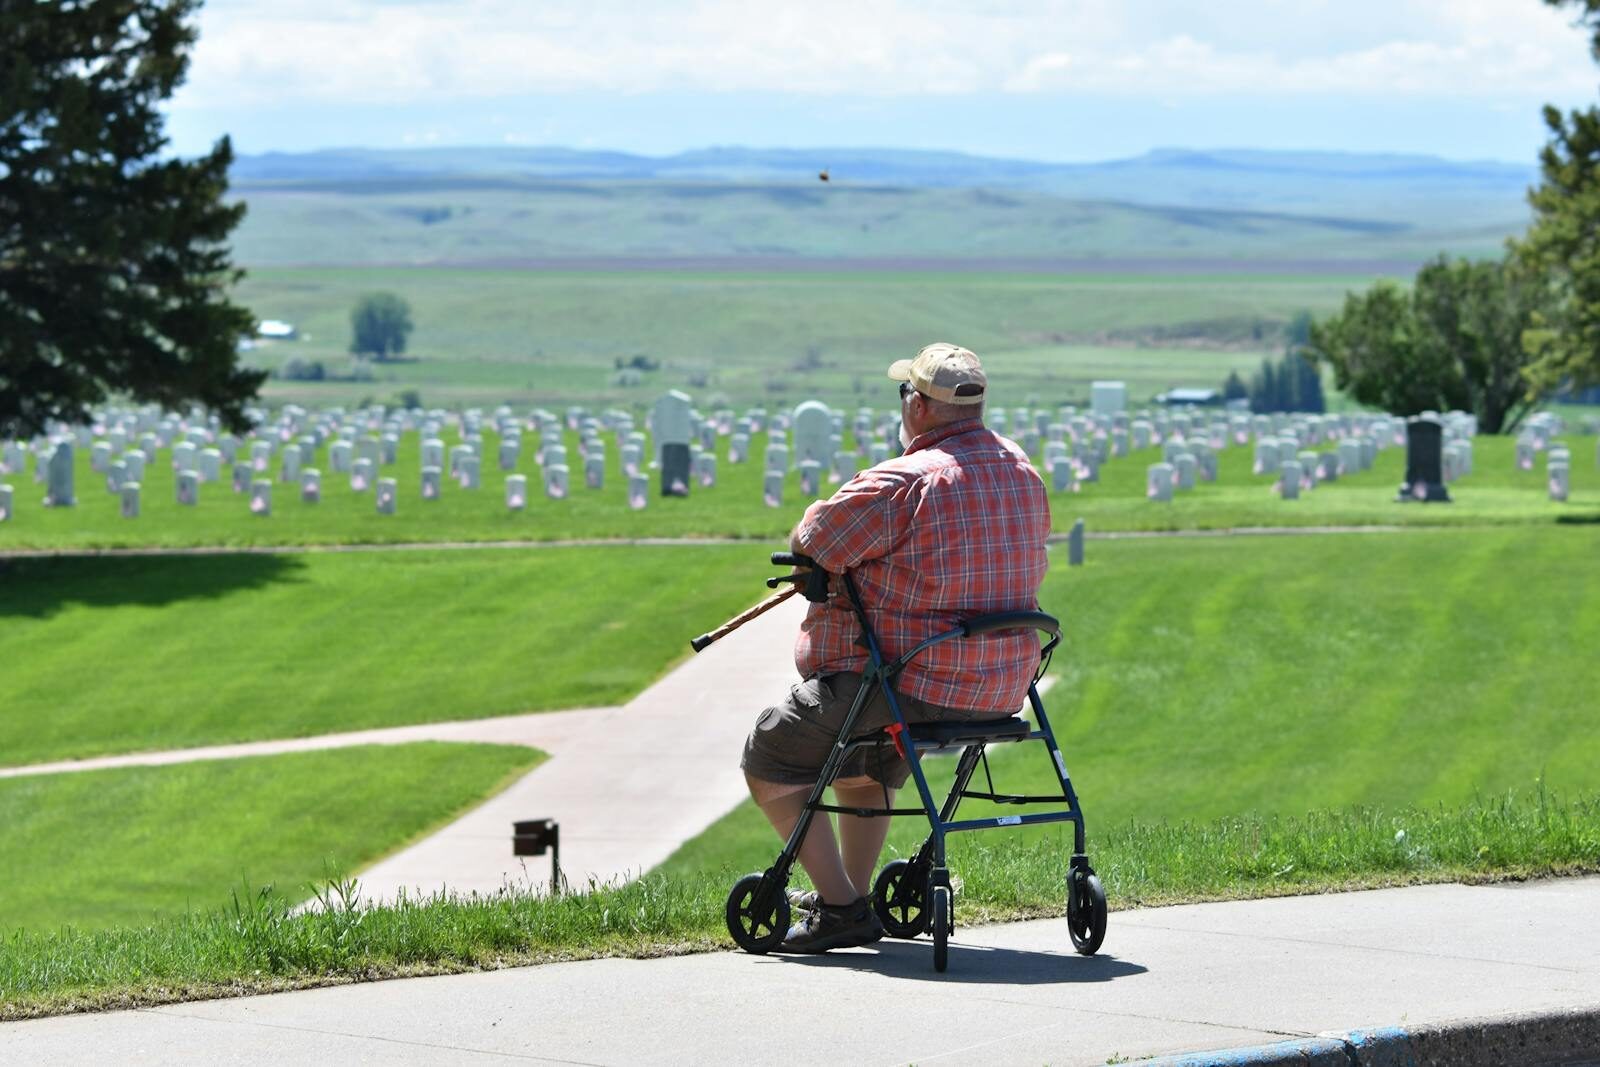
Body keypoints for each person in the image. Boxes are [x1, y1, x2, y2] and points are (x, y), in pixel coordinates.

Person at [740, 342, 1052, 952]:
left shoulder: (905, 481)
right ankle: (850, 899)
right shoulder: (1023, 471)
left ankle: (839, 905)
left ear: (919, 405)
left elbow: (812, 541)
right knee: (863, 764)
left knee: (772, 750)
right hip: (999, 686)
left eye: (904, 393)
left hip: (908, 685)